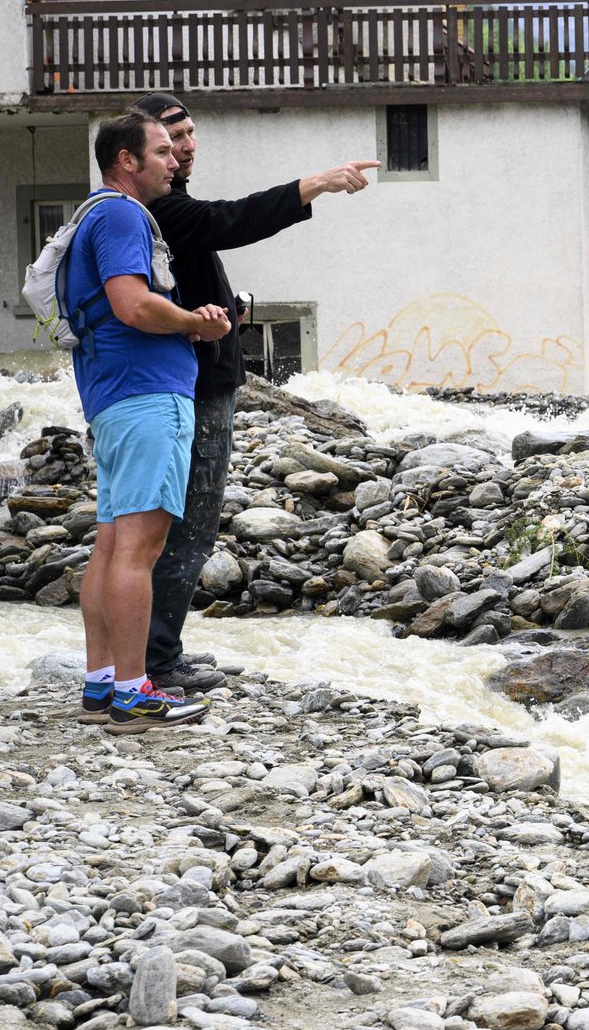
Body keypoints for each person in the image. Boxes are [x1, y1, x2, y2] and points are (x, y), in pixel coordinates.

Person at [126, 92, 378, 693]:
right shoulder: (160, 209)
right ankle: (157, 662)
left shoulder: (159, 206)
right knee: (185, 525)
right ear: (138, 152)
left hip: (191, 378)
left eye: (187, 137)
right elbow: (231, 219)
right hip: (195, 384)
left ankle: (150, 657)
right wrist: (315, 184)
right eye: (169, 141)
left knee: (170, 524)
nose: (184, 149)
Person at [70, 112, 231, 733]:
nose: (175, 160)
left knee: (112, 543)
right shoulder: (123, 214)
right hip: (149, 395)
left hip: (114, 397)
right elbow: (132, 304)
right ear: (126, 161)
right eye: (162, 151)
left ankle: (102, 681)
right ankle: (135, 693)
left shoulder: (92, 212)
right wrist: (198, 323)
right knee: (140, 548)